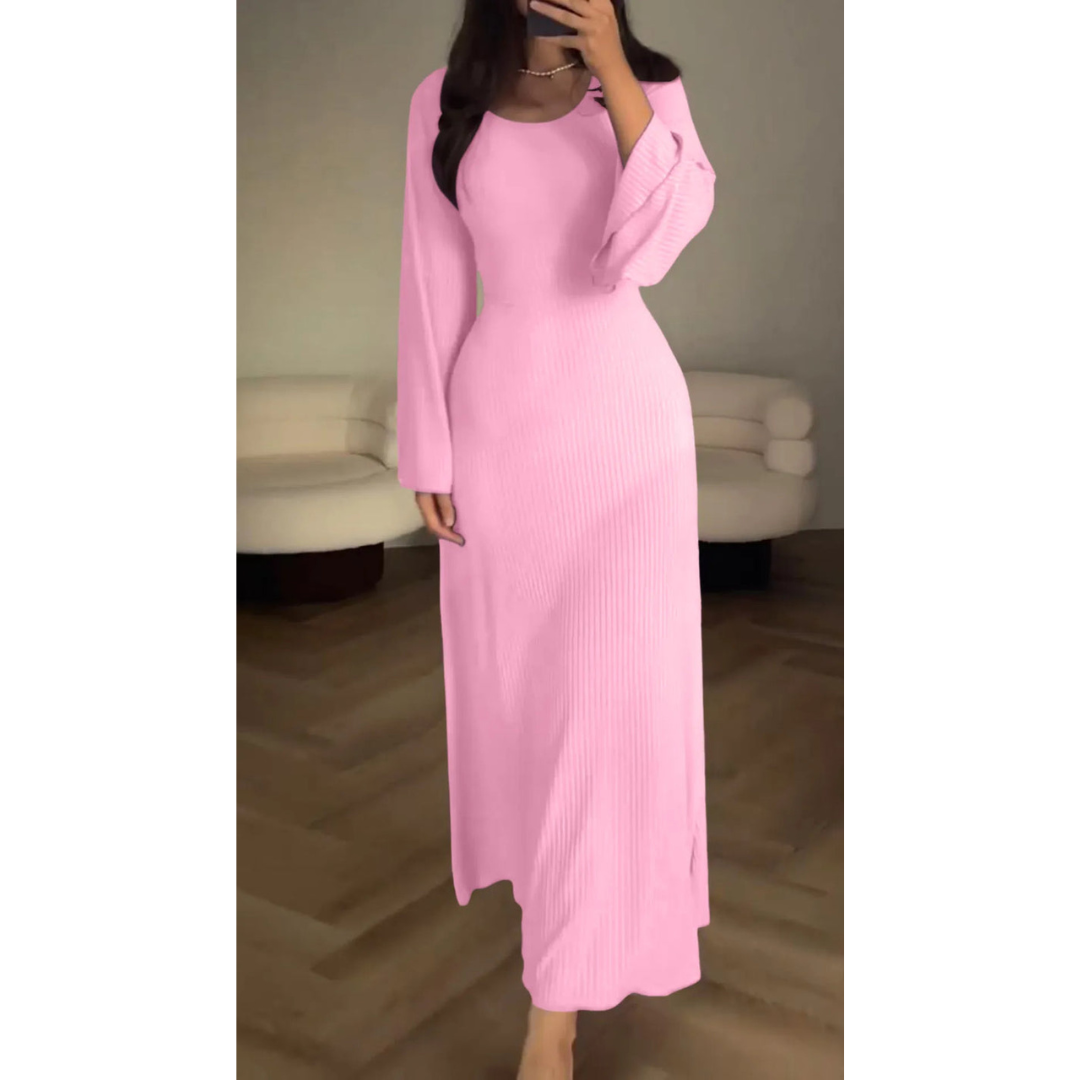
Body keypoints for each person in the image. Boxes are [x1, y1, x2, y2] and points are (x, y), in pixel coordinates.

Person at [395, 1, 715, 1076]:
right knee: (534, 711)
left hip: (627, 437)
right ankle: (564, 927)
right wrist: (428, 448)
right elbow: (433, 277)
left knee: (603, 714)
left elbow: (658, 244)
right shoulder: (445, 101)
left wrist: (613, 68)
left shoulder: (649, 89)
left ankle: (555, 1009)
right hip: (500, 437)